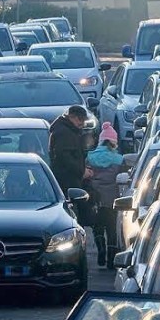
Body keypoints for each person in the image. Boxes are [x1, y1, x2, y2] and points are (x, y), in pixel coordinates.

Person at [85, 124, 125, 267]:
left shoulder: (89, 157)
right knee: (112, 227)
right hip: (112, 198)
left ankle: (100, 247)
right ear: (113, 142)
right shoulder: (119, 160)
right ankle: (111, 258)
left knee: (98, 226)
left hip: (95, 198)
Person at [48, 105, 90, 194]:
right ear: (71, 117)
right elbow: (65, 157)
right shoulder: (63, 133)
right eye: (80, 119)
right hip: (67, 180)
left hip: (70, 178)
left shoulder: (70, 131)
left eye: (84, 121)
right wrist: (81, 171)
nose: (82, 123)